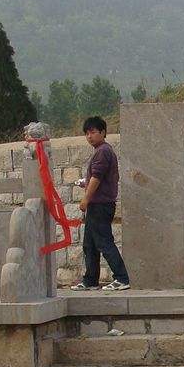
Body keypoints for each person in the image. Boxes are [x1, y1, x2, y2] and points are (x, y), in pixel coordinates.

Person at [71, 116, 130, 291]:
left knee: (104, 242)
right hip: (98, 204)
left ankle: (122, 278)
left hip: (100, 204)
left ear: (103, 132)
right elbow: (96, 177)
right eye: (87, 133)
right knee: (89, 244)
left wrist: (85, 199)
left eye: (93, 132)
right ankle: (90, 280)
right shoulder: (100, 151)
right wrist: (85, 182)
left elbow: (97, 177)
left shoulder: (103, 151)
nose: (90, 136)